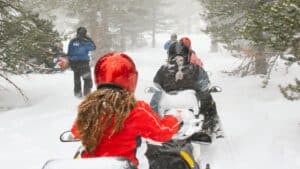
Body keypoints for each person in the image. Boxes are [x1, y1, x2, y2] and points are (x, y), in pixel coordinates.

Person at [70, 52, 183, 168]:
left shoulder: (88, 108)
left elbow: (76, 131)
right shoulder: (136, 109)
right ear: (131, 78)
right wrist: (173, 117)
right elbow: (162, 132)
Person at [151, 41, 221, 143]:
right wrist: (201, 89)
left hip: (170, 102)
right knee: (207, 100)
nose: (179, 60)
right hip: (188, 102)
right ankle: (208, 127)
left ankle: (153, 126)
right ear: (188, 55)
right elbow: (204, 83)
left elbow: (156, 82)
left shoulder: (164, 69)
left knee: (155, 101)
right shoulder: (196, 68)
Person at [67, 26, 96, 98]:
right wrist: (89, 39)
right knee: (87, 79)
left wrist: (70, 62)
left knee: (77, 80)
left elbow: (69, 52)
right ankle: (87, 95)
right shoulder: (86, 42)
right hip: (84, 64)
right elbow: (93, 47)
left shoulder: (73, 41)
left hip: (74, 64)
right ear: (85, 33)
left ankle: (77, 95)